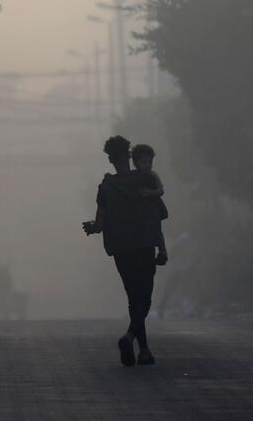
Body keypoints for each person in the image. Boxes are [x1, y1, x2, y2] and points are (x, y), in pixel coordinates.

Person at [83, 136, 166, 367]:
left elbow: (99, 225)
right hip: (145, 246)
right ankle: (137, 344)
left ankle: (142, 347)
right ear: (129, 155)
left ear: (110, 159)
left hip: (121, 250)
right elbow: (157, 218)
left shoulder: (106, 187)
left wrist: (90, 227)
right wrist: (163, 248)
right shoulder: (145, 180)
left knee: (133, 298)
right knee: (144, 298)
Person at [131, 144, 169, 266]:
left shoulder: (153, 175)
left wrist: (149, 193)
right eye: (144, 162)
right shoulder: (133, 176)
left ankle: (163, 251)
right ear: (135, 162)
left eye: (149, 162)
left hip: (154, 207)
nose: (147, 165)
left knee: (158, 230)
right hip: (142, 212)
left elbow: (161, 190)